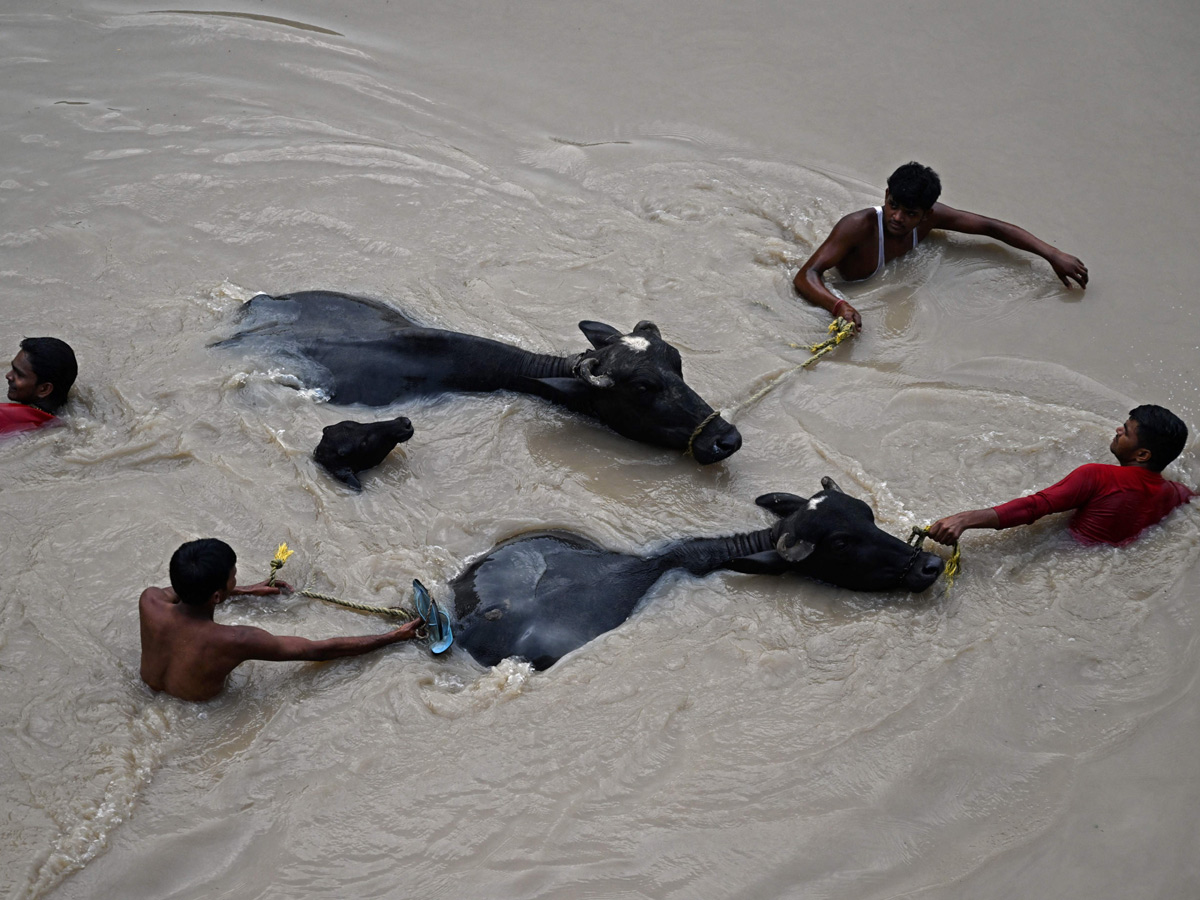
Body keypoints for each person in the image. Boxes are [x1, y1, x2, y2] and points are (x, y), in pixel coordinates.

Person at [793, 162, 1089, 330]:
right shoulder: (858, 226)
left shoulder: (931, 221)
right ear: (886, 195)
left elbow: (992, 227)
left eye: (910, 213)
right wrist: (838, 305)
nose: (897, 217)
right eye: (893, 205)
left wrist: (1051, 254)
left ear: (928, 214)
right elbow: (805, 276)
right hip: (841, 291)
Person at [139, 538, 423, 701]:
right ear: (216, 595)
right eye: (234, 576)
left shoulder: (150, 601)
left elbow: (181, 591)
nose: (236, 578)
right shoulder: (235, 640)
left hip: (148, 691)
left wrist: (247, 590)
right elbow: (316, 650)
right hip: (201, 710)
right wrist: (393, 637)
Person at [928, 405, 1194, 548]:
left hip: (1065, 550)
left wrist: (963, 519)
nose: (1117, 430)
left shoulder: (1097, 475)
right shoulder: (1173, 493)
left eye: (1125, 431)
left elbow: (1035, 507)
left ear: (1143, 455)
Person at [2, 337, 78, 436]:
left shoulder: (6, 417)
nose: (8, 375)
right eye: (13, 368)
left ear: (44, 389)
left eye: (19, 374)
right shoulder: (57, 424)